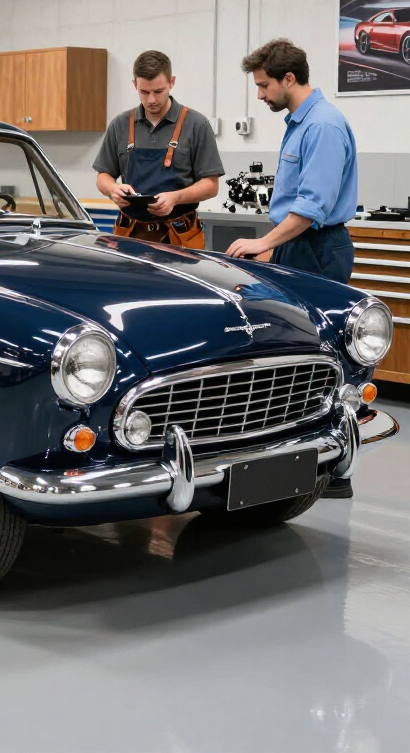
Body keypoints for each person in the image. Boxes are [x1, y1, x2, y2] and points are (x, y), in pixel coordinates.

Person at [225, 38, 359, 499]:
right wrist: (271, 251)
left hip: (318, 249)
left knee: (326, 355)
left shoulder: (322, 126)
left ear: (288, 79)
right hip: (297, 246)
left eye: (263, 86)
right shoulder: (299, 122)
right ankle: (287, 457)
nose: (259, 95)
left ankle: (336, 466)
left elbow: (311, 206)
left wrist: (264, 243)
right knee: (289, 354)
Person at [93, 50, 224, 248]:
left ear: (172, 82)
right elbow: (103, 176)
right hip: (130, 237)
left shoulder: (197, 125)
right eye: (144, 92)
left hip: (180, 239)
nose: (152, 100)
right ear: (135, 84)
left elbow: (211, 185)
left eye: (159, 91)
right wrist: (113, 189)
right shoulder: (120, 125)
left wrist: (175, 198)